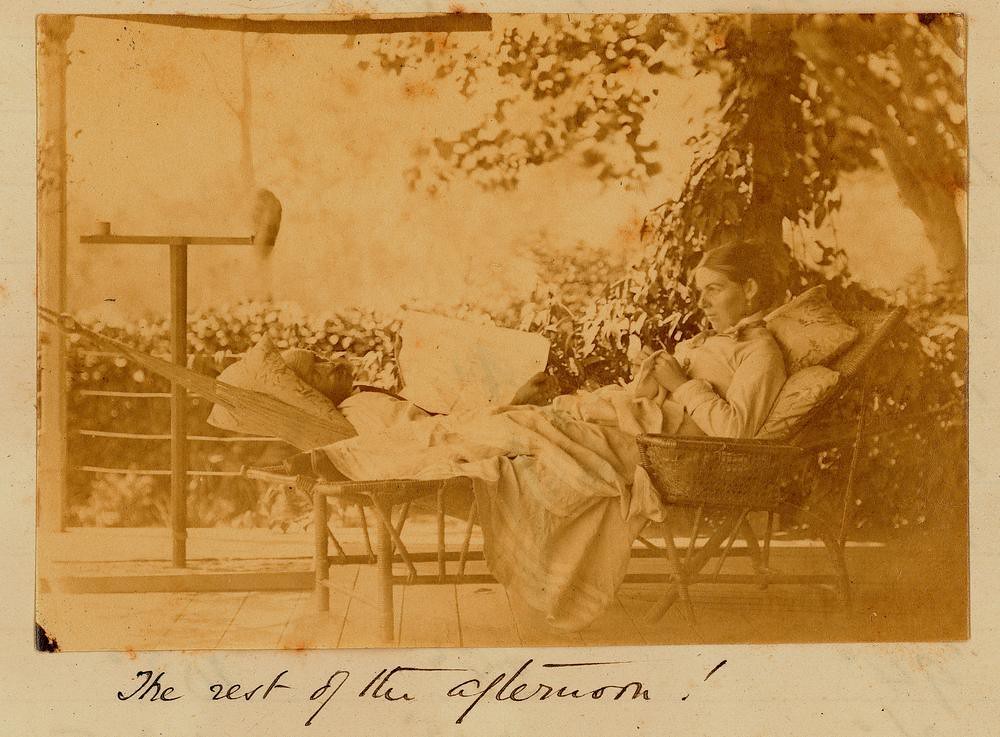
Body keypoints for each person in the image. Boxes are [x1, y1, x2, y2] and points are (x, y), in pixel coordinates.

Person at [304, 240, 790, 630]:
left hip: (657, 450)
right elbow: (675, 397)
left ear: (749, 289)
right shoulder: (717, 342)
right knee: (502, 424)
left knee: (511, 425)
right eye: (702, 291)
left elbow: (737, 430)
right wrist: (653, 379)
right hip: (633, 426)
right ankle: (358, 455)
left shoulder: (761, 353)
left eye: (714, 290)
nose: (702, 303)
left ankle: (356, 459)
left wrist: (679, 383)